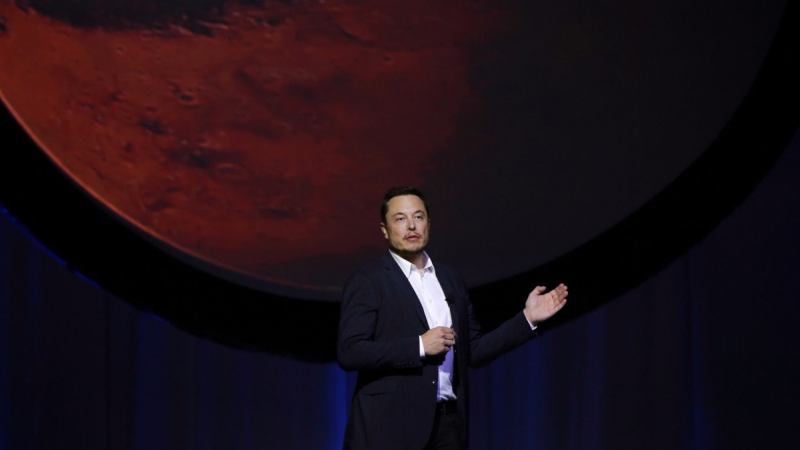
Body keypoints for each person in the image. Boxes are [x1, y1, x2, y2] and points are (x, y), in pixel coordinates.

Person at [337, 186, 568, 450]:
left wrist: (527, 318)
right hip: (389, 427)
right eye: (400, 219)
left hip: (448, 427)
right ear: (384, 229)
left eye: (418, 217)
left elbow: (474, 350)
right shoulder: (369, 280)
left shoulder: (450, 279)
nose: (411, 225)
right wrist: (420, 346)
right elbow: (351, 351)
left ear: (428, 223)